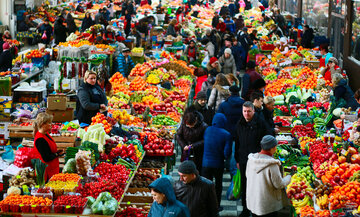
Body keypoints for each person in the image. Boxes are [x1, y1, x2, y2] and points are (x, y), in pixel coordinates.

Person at [235, 101, 272, 217]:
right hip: (243, 160)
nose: (246, 114)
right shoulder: (239, 124)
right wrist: (237, 159)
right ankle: (245, 209)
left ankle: (256, 210)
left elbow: (268, 139)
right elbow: (236, 143)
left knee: (256, 187)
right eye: (244, 111)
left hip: (257, 161)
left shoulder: (260, 124)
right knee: (245, 186)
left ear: (253, 111)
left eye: (249, 111)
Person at [246, 135, 291, 217]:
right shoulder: (272, 165)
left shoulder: (251, 160)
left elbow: (247, 175)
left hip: (254, 201)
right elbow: (279, 184)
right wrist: (289, 177)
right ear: (272, 148)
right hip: (267, 205)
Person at [202, 113, 232, 210]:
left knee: (206, 185)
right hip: (218, 164)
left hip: (205, 163)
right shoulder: (226, 134)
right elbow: (227, 153)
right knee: (218, 185)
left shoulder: (207, 130)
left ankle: (205, 206)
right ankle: (216, 206)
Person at [33, 113, 63, 181]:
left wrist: (57, 152)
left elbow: (48, 150)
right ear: (43, 124)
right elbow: (46, 158)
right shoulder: (40, 139)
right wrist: (57, 154)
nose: (51, 125)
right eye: (49, 123)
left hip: (52, 169)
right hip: (46, 173)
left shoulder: (46, 134)